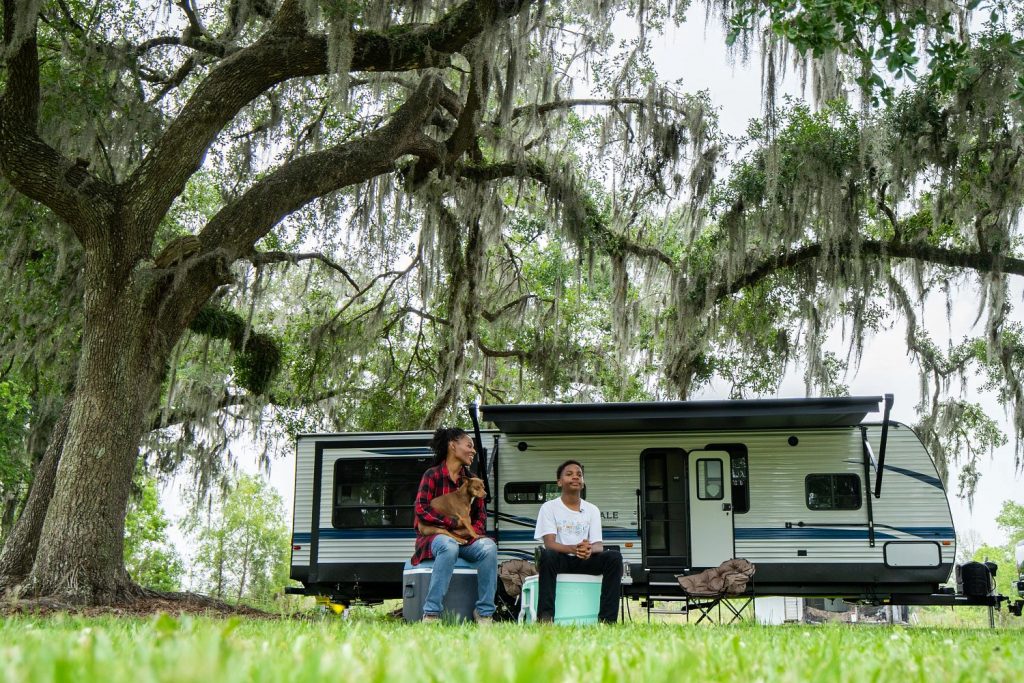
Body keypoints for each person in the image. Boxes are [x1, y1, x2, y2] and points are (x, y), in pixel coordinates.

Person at [411, 427, 497, 623]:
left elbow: (481, 517)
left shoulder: (473, 480)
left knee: (489, 548)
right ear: (452, 445)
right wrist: (452, 524)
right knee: (448, 545)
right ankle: (432, 613)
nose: (473, 450)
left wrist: (469, 532)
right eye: (469, 445)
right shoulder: (432, 475)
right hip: (434, 537)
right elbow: (421, 509)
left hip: (465, 539)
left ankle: (484, 614)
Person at [534, 460, 623, 623]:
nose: (575, 477)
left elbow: (598, 545)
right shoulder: (549, 508)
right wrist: (573, 549)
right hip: (561, 559)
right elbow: (550, 543)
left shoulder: (592, 509)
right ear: (559, 482)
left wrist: (588, 549)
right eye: (569, 474)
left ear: (583, 483)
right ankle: (546, 618)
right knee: (547, 555)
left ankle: (607, 621)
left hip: (585, 559)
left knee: (614, 558)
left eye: (579, 475)